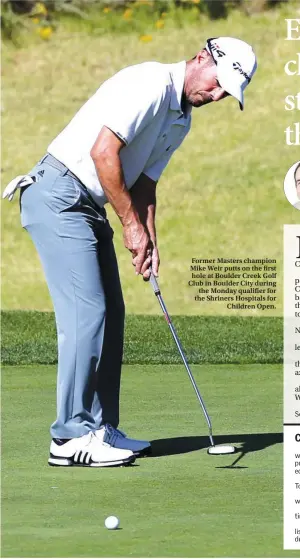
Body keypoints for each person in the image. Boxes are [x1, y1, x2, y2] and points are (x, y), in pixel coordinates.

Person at [3, 37, 257, 468]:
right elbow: (103, 153)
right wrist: (131, 226)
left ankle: (101, 429)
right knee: (88, 313)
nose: (215, 96)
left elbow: (145, 183)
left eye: (225, 94)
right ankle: (69, 435)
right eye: (217, 84)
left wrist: (150, 238)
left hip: (89, 204)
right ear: (201, 58)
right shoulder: (149, 83)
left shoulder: (182, 118)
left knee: (111, 314)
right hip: (59, 195)